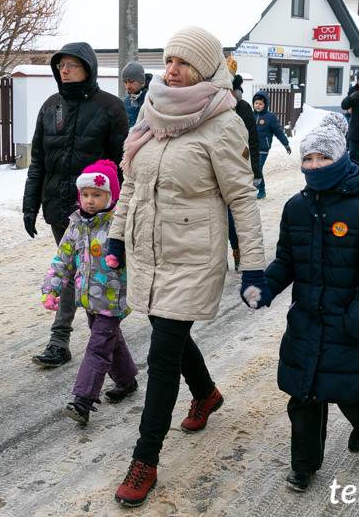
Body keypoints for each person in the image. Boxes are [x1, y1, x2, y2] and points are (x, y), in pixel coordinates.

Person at [108, 26, 268, 507]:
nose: (170, 70)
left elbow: (242, 196)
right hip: (149, 252)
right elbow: (131, 185)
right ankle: (207, 394)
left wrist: (253, 265)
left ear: (204, 69)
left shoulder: (224, 121)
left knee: (161, 354)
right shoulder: (151, 113)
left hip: (193, 255)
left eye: (181, 63)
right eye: (168, 61)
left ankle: (145, 459)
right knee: (168, 335)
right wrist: (116, 237)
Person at [242, 112, 359, 492]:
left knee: (351, 395)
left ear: (340, 158)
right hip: (306, 321)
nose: (314, 165)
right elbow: (288, 261)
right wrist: (266, 287)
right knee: (304, 398)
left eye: (322, 158)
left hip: (346, 322)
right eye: (308, 158)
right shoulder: (296, 207)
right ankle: (304, 466)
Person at [23, 42, 129, 368]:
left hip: (102, 214)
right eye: (61, 66)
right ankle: (60, 339)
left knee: (98, 277)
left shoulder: (110, 108)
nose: (64, 71)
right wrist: (30, 205)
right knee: (69, 272)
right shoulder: (50, 107)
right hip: (61, 208)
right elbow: (38, 161)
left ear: (88, 68)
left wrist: (122, 210)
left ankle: (110, 347)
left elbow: (124, 164)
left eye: (71, 65)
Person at [41, 160, 138, 425]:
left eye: (96, 194)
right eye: (85, 195)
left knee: (97, 347)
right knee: (110, 341)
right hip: (89, 298)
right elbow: (63, 258)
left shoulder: (119, 224)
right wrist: (51, 289)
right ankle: (127, 380)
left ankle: (83, 400)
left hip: (113, 298)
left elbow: (140, 254)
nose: (89, 200)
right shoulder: (77, 224)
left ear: (112, 195)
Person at [228, 72, 261, 272]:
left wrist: (256, 172)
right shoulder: (211, 106)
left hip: (239, 169)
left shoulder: (243, 108)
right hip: (216, 170)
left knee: (236, 217)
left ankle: (239, 252)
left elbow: (253, 141)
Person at [252, 89, 292, 197]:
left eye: (260, 104)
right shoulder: (251, 115)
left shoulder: (270, 117)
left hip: (263, 148)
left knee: (258, 168)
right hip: (252, 148)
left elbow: (279, 132)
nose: (258, 106)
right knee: (252, 169)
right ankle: (257, 189)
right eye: (256, 103)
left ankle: (260, 191)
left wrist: (286, 145)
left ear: (265, 105)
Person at [122, 61, 152, 128]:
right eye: (125, 82)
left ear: (141, 80)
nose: (128, 86)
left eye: (131, 81)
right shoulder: (127, 102)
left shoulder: (152, 98)